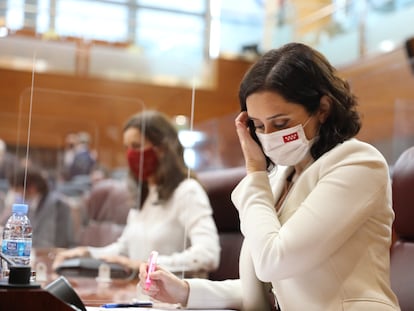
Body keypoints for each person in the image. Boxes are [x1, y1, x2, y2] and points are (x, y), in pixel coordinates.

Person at [138, 43, 401, 310]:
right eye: (259, 126)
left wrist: (255, 170)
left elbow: (274, 261)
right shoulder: (279, 178)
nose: (268, 136)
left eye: (281, 123)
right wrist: (184, 291)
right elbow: (268, 288)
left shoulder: (359, 164)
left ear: (323, 109)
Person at [53, 110, 220, 277]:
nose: (130, 154)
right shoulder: (146, 193)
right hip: (138, 293)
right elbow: (124, 250)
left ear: (162, 149)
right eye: (127, 148)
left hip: (174, 298)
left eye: (137, 146)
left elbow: (208, 255)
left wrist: (146, 265)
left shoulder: (188, 191)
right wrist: (87, 253)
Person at [0, 166, 75, 248]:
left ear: (32, 188)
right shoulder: (32, 203)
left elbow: (50, 240)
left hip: (52, 253)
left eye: (18, 190)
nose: (18, 194)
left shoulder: (57, 204)